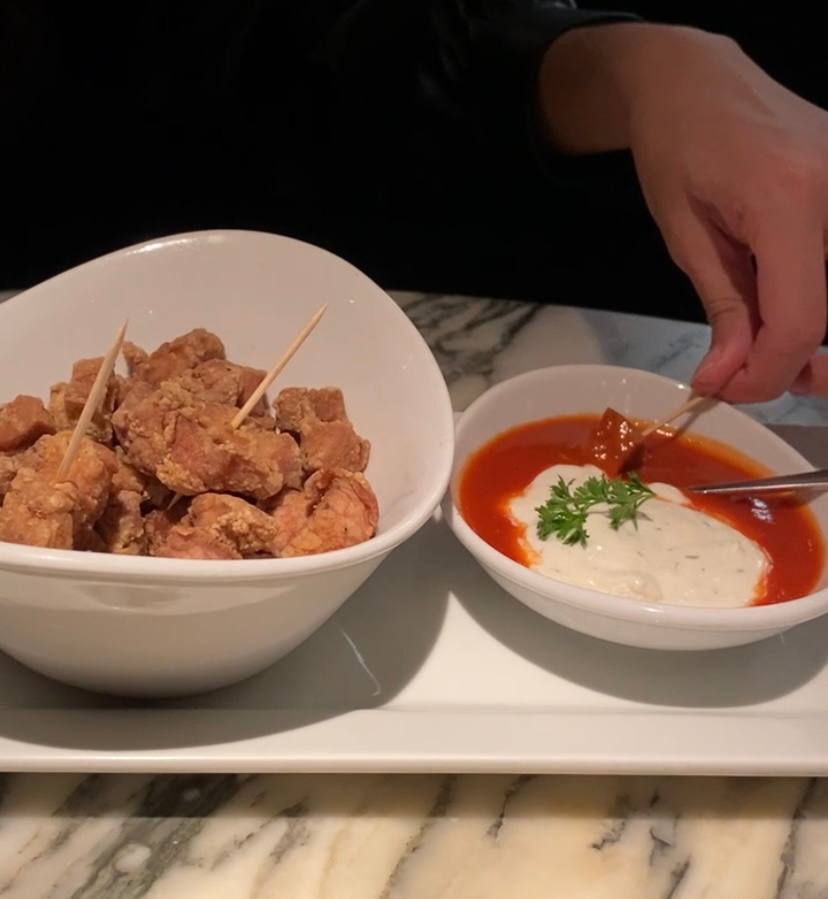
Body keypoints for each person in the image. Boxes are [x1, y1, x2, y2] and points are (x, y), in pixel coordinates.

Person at [2, 1, 827, 402]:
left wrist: (652, 72)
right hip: (69, 236)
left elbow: (404, 57)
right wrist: (641, 70)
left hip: (524, 280)